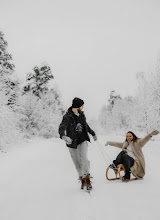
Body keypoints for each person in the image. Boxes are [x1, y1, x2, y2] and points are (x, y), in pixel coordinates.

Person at [58, 97, 97, 190]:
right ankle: (82, 177)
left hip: (83, 140)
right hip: (72, 143)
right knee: (77, 162)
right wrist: (63, 136)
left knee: (84, 159)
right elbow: (62, 127)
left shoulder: (82, 115)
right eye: (82, 105)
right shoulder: (67, 116)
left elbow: (86, 125)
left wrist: (93, 133)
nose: (83, 107)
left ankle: (87, 178)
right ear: (77, 106)